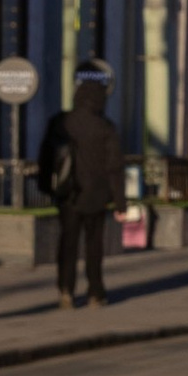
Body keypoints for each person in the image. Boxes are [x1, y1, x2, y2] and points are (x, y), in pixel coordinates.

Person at [37, 62, 126, 312]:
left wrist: (46, 186)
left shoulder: (61, 122)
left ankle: (66, 291)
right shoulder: (105, 127)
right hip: (96, 196)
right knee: (94, 245)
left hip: (68, 194)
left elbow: (46, 157)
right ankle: (95, 293)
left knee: (67, 244)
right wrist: (120, 203)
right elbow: (115, 167)